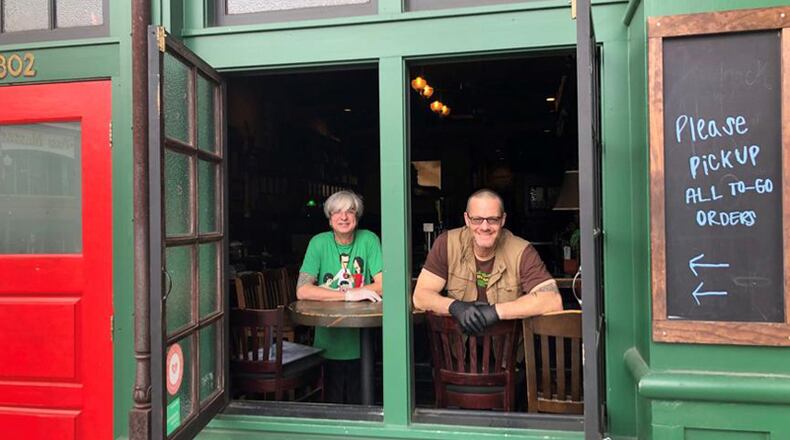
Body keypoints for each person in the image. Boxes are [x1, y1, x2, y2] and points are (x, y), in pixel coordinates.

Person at [413, 189, 562, 334]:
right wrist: (455, 306)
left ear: (503, 219)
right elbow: (420, 296)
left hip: (509, 355)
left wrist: (496, 311)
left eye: (492, 219)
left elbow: (552, 300)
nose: (485, 227)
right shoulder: (447, 244)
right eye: (477, 219)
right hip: (457, 353)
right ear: (467, 219)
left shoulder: (521, 251)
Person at [297, 190, 383, 403]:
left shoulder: (369, 240)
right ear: (329, 218)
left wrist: (354, 292)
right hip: (328, 337)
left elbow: (385, 284)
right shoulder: (318, 243)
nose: (343, 217)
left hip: (363, 340)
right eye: (337, 212)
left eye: (350, 211)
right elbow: (302, 290)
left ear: (357, 216)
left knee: (362, 398)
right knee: (332, 400)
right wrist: (348, 296)